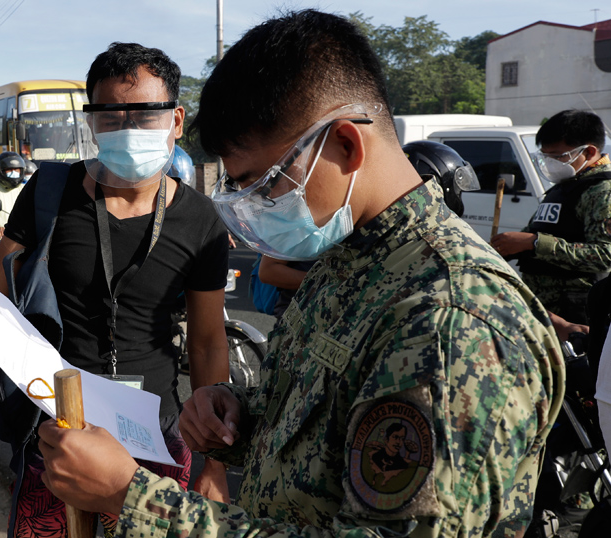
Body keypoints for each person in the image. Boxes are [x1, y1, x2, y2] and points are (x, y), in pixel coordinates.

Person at [33, 11, 565, 537]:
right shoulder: (348, 259)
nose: (250, 208)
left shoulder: (450, 324)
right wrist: (236, 418)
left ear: (346, 146)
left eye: (263, 185)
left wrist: (130, 497)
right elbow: (318, 429)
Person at [0, 42, 231, 537]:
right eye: (109, 117)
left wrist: (216, 464)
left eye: (144, 115)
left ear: (176, 121)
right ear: (90, 123)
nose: (127, 129)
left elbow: (206, 342)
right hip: (58, 437)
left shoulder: (201, 220)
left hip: (154, 442)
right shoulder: (50, 193)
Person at [491, 110, 611, 325]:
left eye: (557, 156)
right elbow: (538, 232)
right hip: (545, 310)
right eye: (546, 156)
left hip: (576, 315)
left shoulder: (602, 191)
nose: (551, 163)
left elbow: (605, 255)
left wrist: (534, 243)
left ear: (590, 151)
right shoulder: (567, 185)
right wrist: (508, 246)